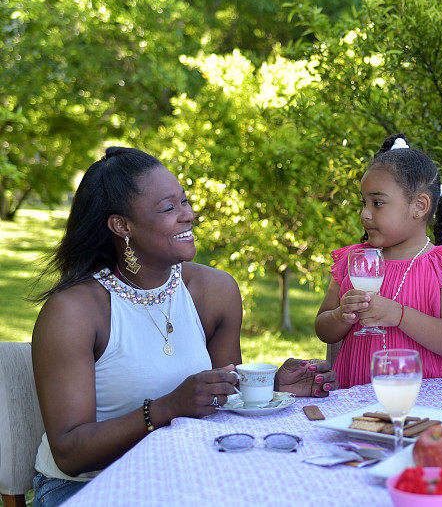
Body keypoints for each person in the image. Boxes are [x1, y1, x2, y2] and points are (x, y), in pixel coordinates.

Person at [30, 147, 338, 507]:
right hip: (86, 486)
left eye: (185, 201)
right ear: (122, 225)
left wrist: (269, 388)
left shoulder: (214, 291)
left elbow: (223, 397)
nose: (188, 215)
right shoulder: (74, 312)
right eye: (168, 208)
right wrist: (166, 408)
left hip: (182, 470)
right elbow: (69, 452)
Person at [315, 134, 442, 388]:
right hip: (356, 397)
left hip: (427, 399)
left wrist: (398, 315)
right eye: (364, 202)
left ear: (419, 206)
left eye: (377, 203)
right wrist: (340, 315)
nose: (365, 213)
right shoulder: (353, 260)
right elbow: (323, 330)